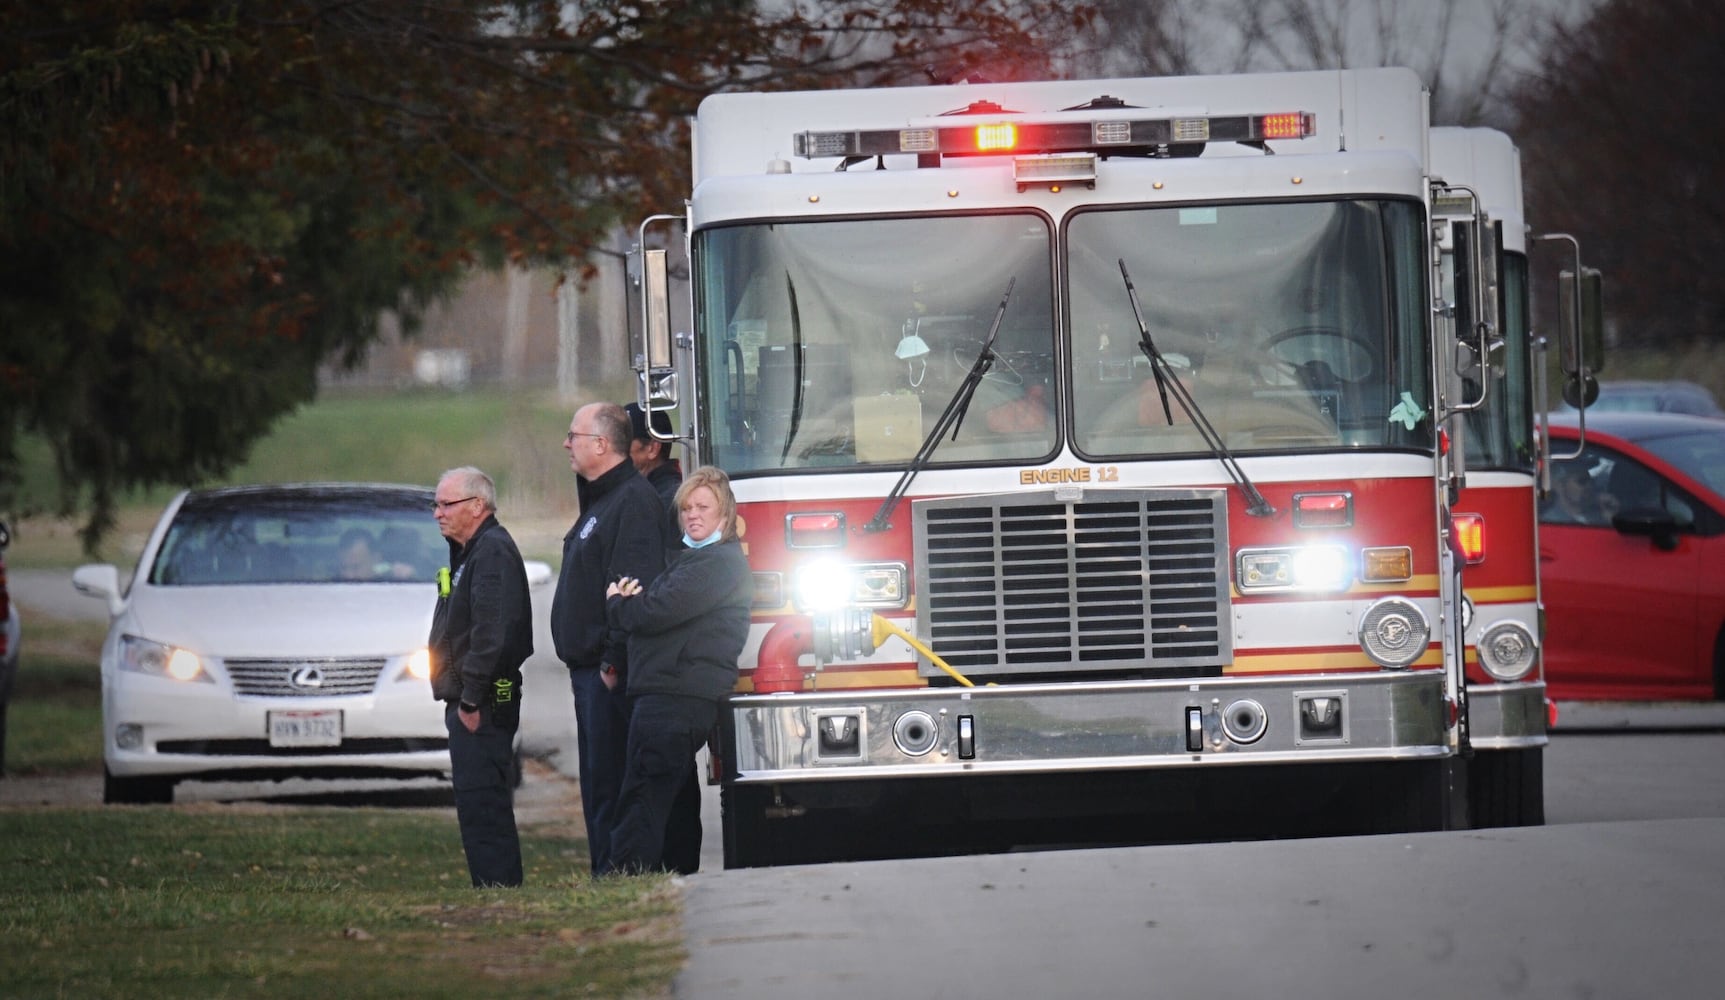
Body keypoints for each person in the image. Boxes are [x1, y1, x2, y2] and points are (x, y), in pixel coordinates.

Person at [604, 466, 753, 875]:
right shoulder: (697, 560)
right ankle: (675, 879)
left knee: (643, 795)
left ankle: (626, 878)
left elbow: (655, 612)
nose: (692, 515)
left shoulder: (715, 564)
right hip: (671, 693)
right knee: (672, 798)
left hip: (676, 696)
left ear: (725, 514)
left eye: (703, 506)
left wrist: (619, 601)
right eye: (686, 507)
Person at [550, 402, 667, 875]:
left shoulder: (632, 502)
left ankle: (617, 874)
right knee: (596, 782)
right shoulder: (599, 499)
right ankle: (605, 870)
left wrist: (611, 663)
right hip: (589, 673)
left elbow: (631, 587)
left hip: (608, 675)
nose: (566, 444)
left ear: (601, 444)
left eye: (573, 435)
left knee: (611, 781)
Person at [427, 467, 534, 888]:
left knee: (484, 800)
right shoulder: (470, 551)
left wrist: (471, 699)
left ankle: (498, 888)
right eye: (434, 504)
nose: (437, 513)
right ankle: (491, 886)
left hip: (484, 702)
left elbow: (491, 635)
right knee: (475, 802)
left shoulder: (490, 553)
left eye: (446, 504)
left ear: (477, 506)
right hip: (472, 700)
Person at [623, 401, 704, 874]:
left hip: (664, 667)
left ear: (651, 447)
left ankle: (673, 871)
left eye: (623, 445)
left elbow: (664, 588)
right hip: (658, 664)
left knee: (665, 773)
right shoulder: (652, 494)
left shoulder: (666, 502)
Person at [1546, 461, 1618, 526]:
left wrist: (1611, 517)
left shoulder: (1598, 516)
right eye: (1582, 481)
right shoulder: (1551, 522)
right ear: (1560, 486)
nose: (1589, 486)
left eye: (1591, 481)